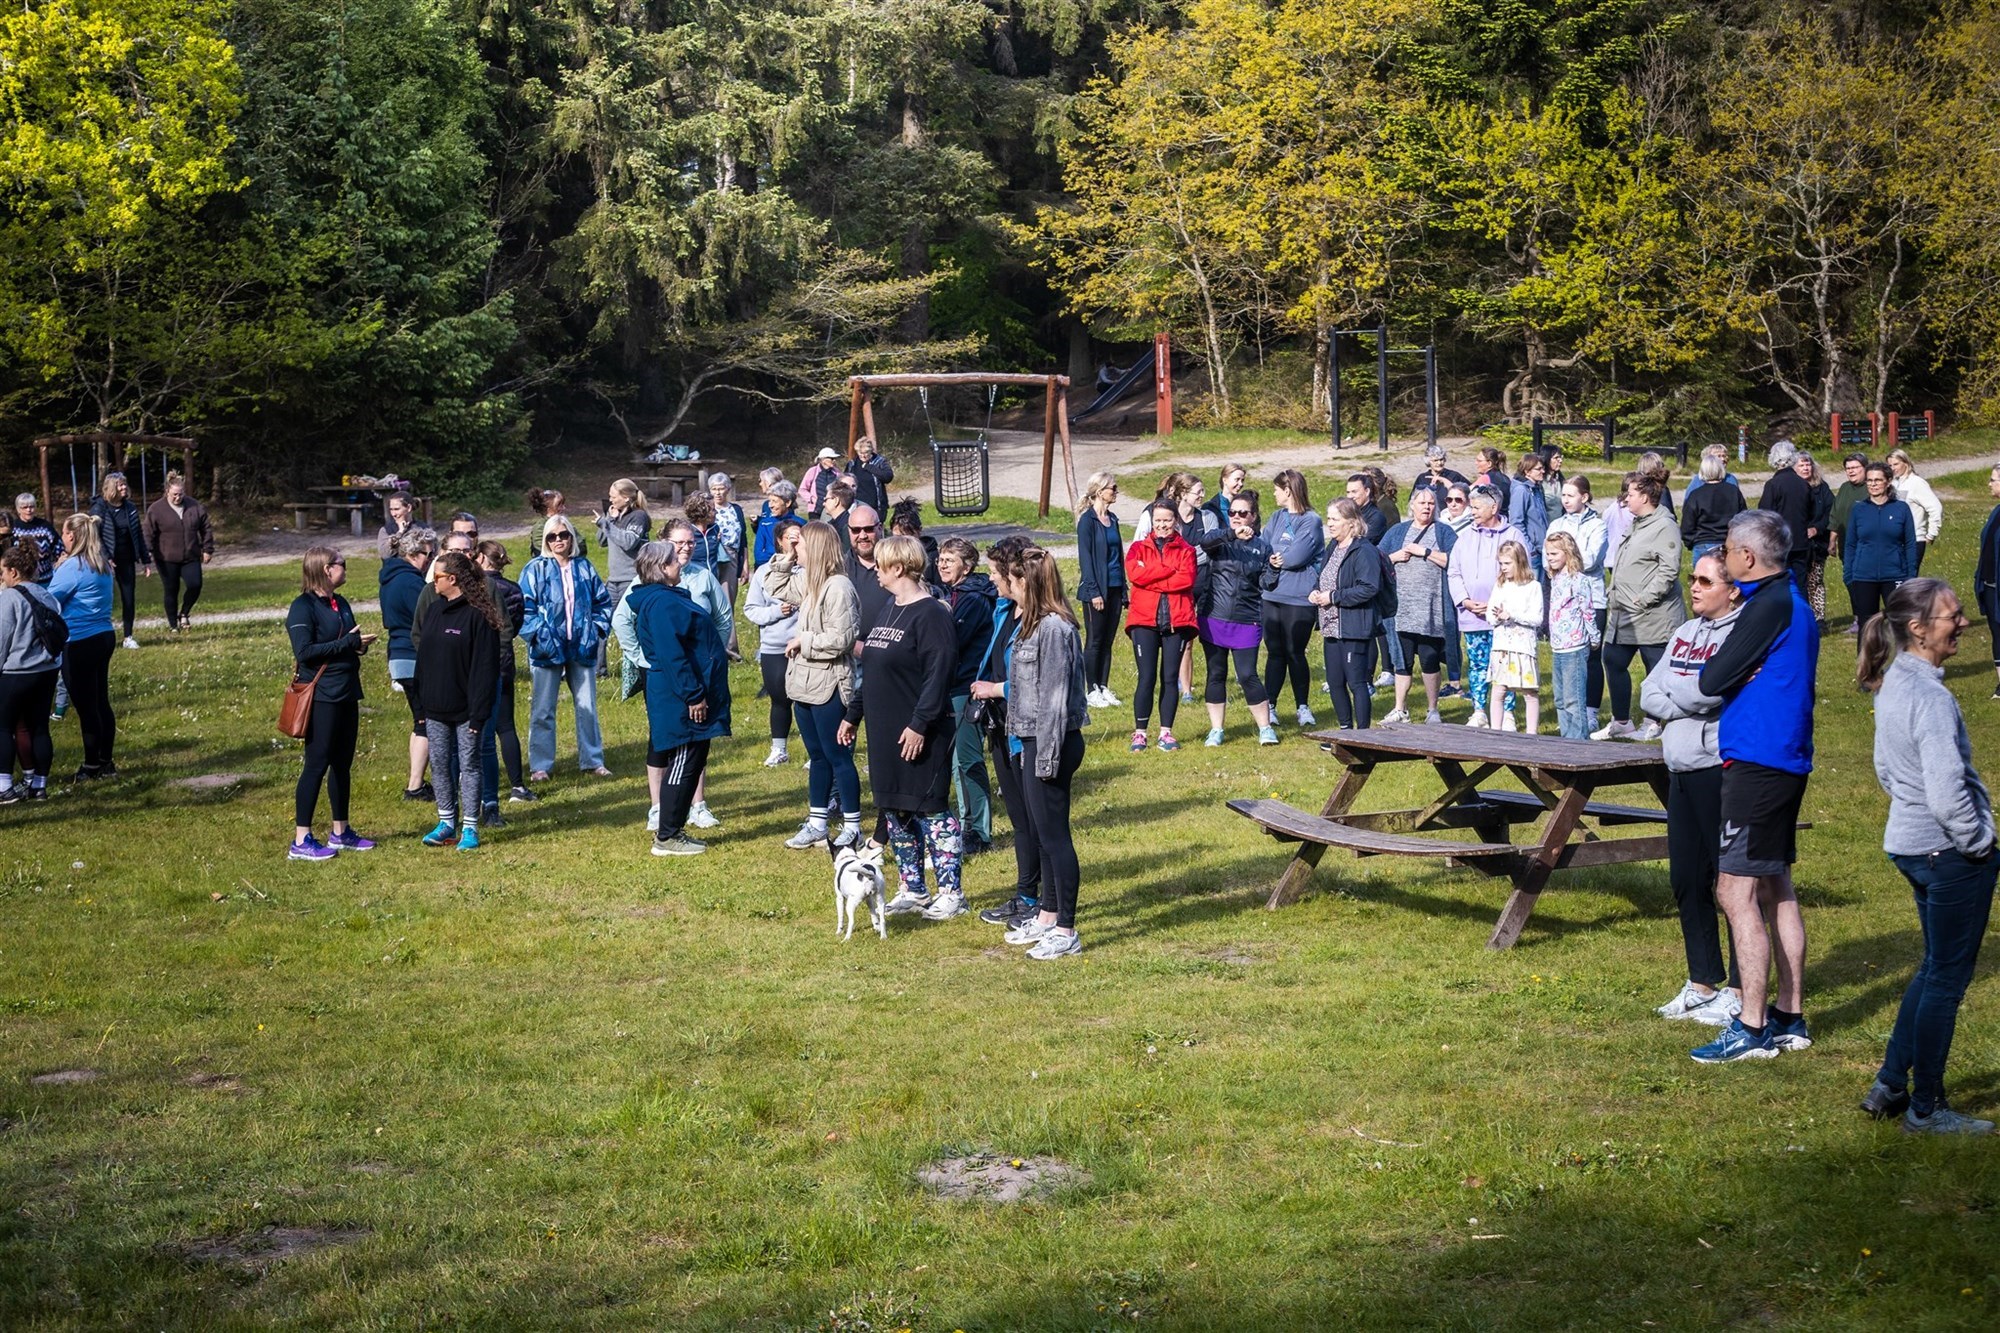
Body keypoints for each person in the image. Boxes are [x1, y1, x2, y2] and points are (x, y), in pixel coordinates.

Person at [1857, 578, 1998, 1134]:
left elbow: (1886, 771)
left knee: (1934, 966)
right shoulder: (1932, 698)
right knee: (1947, 979)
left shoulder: (1893, 681)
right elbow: (1945, 792)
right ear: (1918, 628)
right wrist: (1978, 843)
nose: (1962, 623)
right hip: (1948, 853)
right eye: (1952, 616)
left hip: (1911, 846)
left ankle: (1890, 1084)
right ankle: (1927, 1108)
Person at [1690, 510, 1820, 1064]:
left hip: (1760, 762)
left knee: (1734, 891)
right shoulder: (1787, 599)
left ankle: (1752, 1025)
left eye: (1726, 549)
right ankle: (1789, 1016)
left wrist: (1733, 670)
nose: (1723, 557)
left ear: (1745, 557)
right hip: (1782, 757)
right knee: (1774, 886)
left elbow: (1711, 678)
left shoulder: (1767, 606)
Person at [1640, 551, 1744, 1025]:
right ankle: (1702, 982)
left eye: (1705, 581)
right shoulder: (1684, 632)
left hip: (1717, 768)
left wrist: (1680, 696)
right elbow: (1649, 691)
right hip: (1678, 767)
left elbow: (1712, 692)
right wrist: (1686, 698)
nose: (1694, 587)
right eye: (1692, 578)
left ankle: (1741, 988)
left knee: (1732, 884)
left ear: (1732, 589)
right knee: (1685, 878)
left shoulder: (1741, 634)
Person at [973, 546, 1087, 960]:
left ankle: (1067, 929)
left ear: (1027, 582)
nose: (1005, 582)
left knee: (1055, 839)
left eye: (1012, 578)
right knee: (1042, 835)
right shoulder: (1030, 625)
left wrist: (1044, 757)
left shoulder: (1054, 629)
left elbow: (1053, 700)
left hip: (1050, 740)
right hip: (1031, 738)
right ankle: (1047, 916)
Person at [852, 534, 964, 917]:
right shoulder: (890, 608)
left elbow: (939, 675)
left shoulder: (931, 614)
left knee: (930, 810)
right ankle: (913, 888)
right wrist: (853, 714)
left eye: (881, 565)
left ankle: (951, 893)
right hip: (885, 732)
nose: (875, 571)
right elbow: (873, 669)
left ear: (898, 567)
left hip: (920, 732)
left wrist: (920, 724)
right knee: (896, 810)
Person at [632, 539, 732, 856]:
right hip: (679, 697)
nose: (680, 563)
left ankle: (674, 831)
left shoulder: (665, 597)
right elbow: (672, 654)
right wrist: (693, 696)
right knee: (683, 761)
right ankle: (667, 835)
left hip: (685, 693)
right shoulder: (661, 603)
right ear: (662, 568)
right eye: (674, 560)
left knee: (693, 758)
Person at [766, 521, 862, 849]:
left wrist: (802, 641)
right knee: (817, 756)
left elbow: (842, 639)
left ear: (817, 549)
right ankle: (817, 823)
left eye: (801, 545)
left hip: (829, 685)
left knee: (838, 756)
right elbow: (775, 585)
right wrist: (787, 556)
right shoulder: (810, 582)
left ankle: (852, 826)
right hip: (803, 685)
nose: (796, 549)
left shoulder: (838, 588)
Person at [283, 548, 378, 858]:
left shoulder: (341, 603)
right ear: (326, 569)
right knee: (317, 764)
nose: (345, 569)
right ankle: (301, 840)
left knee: (342, 764)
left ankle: (341, 832)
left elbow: (346, 641)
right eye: (342, 564)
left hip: (347, 691)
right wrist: (347, 643)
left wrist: (358, 646)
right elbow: (304, 652)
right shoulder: (303, 607)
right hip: (321, 695)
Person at [973, 537, 1044, 928]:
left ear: (1013, 574)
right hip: (1000, 727)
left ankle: (1044, 902)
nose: (990, 578)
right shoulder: (1004, 610)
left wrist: (996, 689)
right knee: (1019, 817)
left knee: (1037, 819)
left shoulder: (1040, 622)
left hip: (1027, 731)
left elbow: (1042, 684)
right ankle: (1025, 895)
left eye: (994, 572)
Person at [415, 551, 503, 851]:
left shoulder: (478, 616)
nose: (432, 581)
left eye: (437, 576)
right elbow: (423, 660)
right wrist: (420, 706)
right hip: (435, 708)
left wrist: (478, 715)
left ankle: (469, 827)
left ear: (452, 579)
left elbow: (485, 670)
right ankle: (446, 822)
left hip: (467, 710)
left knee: (469, 764)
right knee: (440, 763)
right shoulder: (434, 610)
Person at [520, 514, 612, 780]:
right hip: (546, 649)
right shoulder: (534, 569)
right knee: (543, 709)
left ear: (571, 537)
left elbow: (602, 603)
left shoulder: (584, 567)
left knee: (587, 706)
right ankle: (540, 766)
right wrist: (539, 635)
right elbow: (523, 609)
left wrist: (595, 631)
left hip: (581, 647)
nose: (558, 540)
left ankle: (593, 761)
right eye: (552, 536)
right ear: (545, 540)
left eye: (563, 535)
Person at [1594, 472, 1684, 742]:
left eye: (1630, 494)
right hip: (1625, 613)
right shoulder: (1638, 523)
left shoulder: (1664, 526)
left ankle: (1653, 722)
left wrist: (1645, 598)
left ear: (1645, 497)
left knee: (1654, 666)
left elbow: (1668, 570)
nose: (1625, 498)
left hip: (1653, 614)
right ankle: (1621, 722)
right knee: (1613, 659)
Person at [1198, 491, 1278, 744]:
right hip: (1214, 616)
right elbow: (1205, 542)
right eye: (1232, 512)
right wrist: (1232, 534)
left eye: (1242, 513)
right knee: (1216, 673)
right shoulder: (1221, 539)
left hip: (1246, 619)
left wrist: (1274, 569)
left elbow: (1267, 584)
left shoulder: (1262, 547)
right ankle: (1216, 729)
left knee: (1247, 675)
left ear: (1253, 517)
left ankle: (1265, 728)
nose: (1236, 517)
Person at [1447, 484, 1524, 729]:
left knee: (1505, 664)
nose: (1472, 512)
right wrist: (1464, 600)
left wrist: (1495, 604)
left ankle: (1507, 712)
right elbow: (1454, 572)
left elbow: (1522, 575)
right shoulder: (1465, 537)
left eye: (1477, 507)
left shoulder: (1513, 536)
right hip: (1473, 616)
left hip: (1503, 617)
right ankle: (1479, 710)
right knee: (1478, 664)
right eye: (1471, 507)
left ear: (1494, 507)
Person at [937, 537, 996, 854]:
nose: (942, 564)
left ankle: (978, 832)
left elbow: (952, 641)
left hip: (967, 687)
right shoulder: (954, 594)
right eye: (940, 559)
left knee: (968, 760)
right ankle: (966, 824)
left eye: (950, 559)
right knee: (957, 762)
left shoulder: (972, 598)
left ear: (967, 566)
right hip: (953, 686)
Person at [1125, 501, 1197, 752]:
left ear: (1175, 520)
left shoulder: (1187, 550)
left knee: (1169, 677)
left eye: (1167, 520)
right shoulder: (1137, 548)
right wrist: (1168, 571)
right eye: (1158, 520)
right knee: (1146, 677)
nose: (1162, 525)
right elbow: (1135, 575)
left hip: (1176, 621)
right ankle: (1140, 733)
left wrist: (1151, 577)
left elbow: (1186, 579)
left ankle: (1166, 732)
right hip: (1144, 620)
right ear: (1151, 521)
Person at [1378, 487, 1454, 725]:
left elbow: (1455, 560)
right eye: (1422, 503)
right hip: (1401, 610)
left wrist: (1426, 552)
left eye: (1431, 503)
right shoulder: (1398, 531)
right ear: (1412, 505)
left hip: (1432, 610)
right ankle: (1400, 709)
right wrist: (1395, 556)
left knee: (1430, 659)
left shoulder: (1443, 532)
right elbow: (1376, 559)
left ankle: (1433, 710)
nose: (1427, 507)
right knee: (1402, 661)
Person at [49, 515, 116, 779]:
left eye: (64, 533)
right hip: (104, 635)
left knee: (86, 707)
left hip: (79, 642)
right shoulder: (101, 563)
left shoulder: (72, 567)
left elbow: (49, 602)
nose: (62, 538)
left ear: (72, 536)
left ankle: (91, 766)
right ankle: (106, 761)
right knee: (101, 702)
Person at [1309, 499, 1382, 730]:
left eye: (1334, 519)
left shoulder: (1364, 550)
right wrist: (1316, 591)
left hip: (1354, 627)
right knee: (1334, 682)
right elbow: (1326, 577)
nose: (1329, 524)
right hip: (1331, 627)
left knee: (1356, 682)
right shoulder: (1333, 546)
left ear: (1351, 522)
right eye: (1328, 518)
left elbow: (1369, 587)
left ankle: (1363, 735)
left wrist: (1333, 597)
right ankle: (1345, 731)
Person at [1261, 469, 1324, 727]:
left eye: (1276, 489)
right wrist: (1276, 555)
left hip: (1298, 598)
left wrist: (1279, 556)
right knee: (1275, 652)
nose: (1273, 494)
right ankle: (1270, 706)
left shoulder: (1311, 520)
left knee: (1295, 652)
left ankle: (1302, 707)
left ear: (1287, 490)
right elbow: (1263, 547)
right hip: (1271, 595)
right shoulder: (1276, 517)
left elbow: (1296, 556)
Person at [0, 541, 61, 802]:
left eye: (2, 571)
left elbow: (2, 639)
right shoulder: (47, 595)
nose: (2, 577)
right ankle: (39, 786)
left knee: (3, 727)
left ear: (13, 571)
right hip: (47, 669)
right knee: (39, 728)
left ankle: (3, 787)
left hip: (17, 671)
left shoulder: (9, 598)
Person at [378, 526, 437, 800]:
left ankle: (416, 782)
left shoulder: (390, 578)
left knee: (419, 720)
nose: (431, 559)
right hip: (414, 656)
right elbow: (429, 618)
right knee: (427, 723)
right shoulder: (411, 582)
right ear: (413, 554)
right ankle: (415, 786)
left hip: (398, 656)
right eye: (428, 554)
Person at [474, 540, 532, 814]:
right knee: (506, 725)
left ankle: (475, 784)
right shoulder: (514, 589)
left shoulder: (476, 587)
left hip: (479, 662)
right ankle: (517, 785)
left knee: (478, 729)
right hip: (504, 660)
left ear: (481, 559)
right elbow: (515, 624)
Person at [742, 517, 805, 767]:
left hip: (804, 645)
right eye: (790, 538)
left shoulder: (809, 570)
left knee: (807, 700)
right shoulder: (764, 572)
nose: (795, 542)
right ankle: (779, 749)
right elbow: (751, 609)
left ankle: (815, 752)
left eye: (799, 537)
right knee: (779, 699)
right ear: (779, 541)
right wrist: (777, 611)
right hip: (774, 647)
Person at [1547, 476, 1607, 729]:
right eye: (1563, 495)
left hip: (1591, 600)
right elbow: (1548, 556)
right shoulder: (1557, 524)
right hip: (1563, 618)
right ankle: (1569, 728)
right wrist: (1559, 556)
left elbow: (1591, 559)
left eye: (1571, 495)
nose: (1566, 500)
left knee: (1590, 660)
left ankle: (1589, 713)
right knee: (1563, 688)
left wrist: (1570, 555)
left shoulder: (1597, 525)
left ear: (1584, 497)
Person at [1842, 461, 1917, 631]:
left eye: (1877, 480)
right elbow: (1850, 544)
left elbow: (1910, 544)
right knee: (1867, 628)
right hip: (1863, 577)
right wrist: (1849, 575)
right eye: (1869, 480)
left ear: (1888, 481)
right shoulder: (1858, 509)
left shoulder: (1901, 508)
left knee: (1900, 627)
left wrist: (1910, 576)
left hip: (1895, 575)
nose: (1873, 484)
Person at [1073, 471, 1125, 708]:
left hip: (1115, 586)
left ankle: (1103, 686)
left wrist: (1123, 589)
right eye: (1112, 488)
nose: (1116, 491)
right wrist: (1094, 591)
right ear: (1100, 491)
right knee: (1095, 640)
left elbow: (1118, 556)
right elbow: (1086, 559)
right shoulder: (1087, 522)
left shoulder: (1112, 519)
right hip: (1096, 589)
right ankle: (1091, 689)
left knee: (1108, 640)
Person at [592, 478, 652, 678]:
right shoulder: (615, 517)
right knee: (601, 622)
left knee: (630, 626)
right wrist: (607, 520)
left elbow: (628, 542)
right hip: (613, 581)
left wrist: (607, 524)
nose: (610, 500)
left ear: (626, 498)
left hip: (632, 579)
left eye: (613, 496)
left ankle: (638, 669)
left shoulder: (639, 517)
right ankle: (599, 671)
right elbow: (602, 541)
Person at [1167, 472, 1218, 702]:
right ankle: (1179, 685)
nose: (1202, 496)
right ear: (1183, 493)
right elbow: (1168, 550)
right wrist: (1192, 553)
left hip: (1204, 582)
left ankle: (1198, 687)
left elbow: (1211, 548)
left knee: (1199, 637)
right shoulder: (1171, 519)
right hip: (1179, 585)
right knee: (1180, 637)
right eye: (1198, 492)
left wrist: (1186, 553)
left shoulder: (1207, 517)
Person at [1544, 532, 1599, 739]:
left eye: (1554, 553)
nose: (1550, 557)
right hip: (1558, 647)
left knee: (1573, 699)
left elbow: (1588, 611)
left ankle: (1578, 742)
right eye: (1548, 553)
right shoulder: (1555, 578)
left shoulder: (1579, 580)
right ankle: (1566, 741)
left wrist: (1594, 637)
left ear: (1568, 553)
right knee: (1560, 699)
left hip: (1574, 648)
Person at [1486, 540, 1543, 732]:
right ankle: (1495, 731)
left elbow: (1537, 618)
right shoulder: (1500, 585)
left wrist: (1512, 615)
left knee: (1530, 692)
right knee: (1499, 690)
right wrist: (1497, 616)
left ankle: (1531, 733)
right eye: (1501, 563)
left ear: (1519, 562)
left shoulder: (1533, 586)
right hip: (1502, 647)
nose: (1503, 567)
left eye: (1507, 563)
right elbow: (1489, 615)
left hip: (1523, 647)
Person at [142, 472, 211, 629]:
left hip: (190, 556)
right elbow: (148, 532)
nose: (177, 498)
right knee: (171, 590)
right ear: (167, 492)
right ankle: (173, 625)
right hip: (166, 557)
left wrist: (207, 549)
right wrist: (148, 552)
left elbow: (206, 528)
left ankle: (184, 613)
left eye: (180, 494)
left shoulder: (195, 506)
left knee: (195, 585)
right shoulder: (156, 509)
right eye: (174, 495)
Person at [89, 473, 150, 648]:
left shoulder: (130, 507)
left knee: (128, 598)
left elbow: (138, 534)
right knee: (103, 600)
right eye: (120, 485)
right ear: (111, 488)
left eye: (124, 485)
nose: (124, 488)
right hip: (104, 561)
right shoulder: (99, 508)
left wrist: (146, 560)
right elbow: (95, 536)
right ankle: (98, 636)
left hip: (126, 559)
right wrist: (107, 557)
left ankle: (128, 637)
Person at [1756, 440, 1813, 589]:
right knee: (1800, 585)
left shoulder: (1773, 484)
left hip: (1779, 542)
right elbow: (1811, 511)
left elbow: (1765, 514)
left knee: (1780, 584)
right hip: (1800, 540)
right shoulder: (1803, 484)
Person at [1679, 449, 1745, 566]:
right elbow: (1743, 518)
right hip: (1728, 542)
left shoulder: (1696, 495)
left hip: (1703, 543)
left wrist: (1691, 542)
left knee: (1704, 577)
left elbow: (1687, 525)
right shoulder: (1733, 491)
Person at [1828, 452, 1870, 634]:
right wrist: (1832, 540)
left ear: (1865, 468)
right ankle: (1858, 619)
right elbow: (1836, 515)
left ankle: (1868, 618)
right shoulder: (1845, 488)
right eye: (1848, 468)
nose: (1851, 471)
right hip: (1847, 545)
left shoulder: (1870, 488)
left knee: (1863, 582)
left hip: (1866, 546)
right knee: (1850, 581)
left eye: (1855, 468)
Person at [708, 473, 747, 656]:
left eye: (721, 488)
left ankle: (730, 649)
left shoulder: (736, 510)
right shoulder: (707, 509)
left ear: (728, 489)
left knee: (728, 601)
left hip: (732, 555)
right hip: (712, 556)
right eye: (714, 489)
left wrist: (745, 565)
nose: (717, 493)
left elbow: (743, 538)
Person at [1887, 448, 1942, 572]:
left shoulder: (1917, 483)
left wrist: (1931, 534)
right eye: (1890, 465)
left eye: (1896, 464)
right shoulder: (1893, 484)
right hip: (1895, 540)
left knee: (1908, 578)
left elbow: (1935, 507)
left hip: (1913, 540)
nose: (1893, 468)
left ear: (1906, 463)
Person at [1797, 451, 1834, 622]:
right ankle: (1802, 617)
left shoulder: (1822, 487)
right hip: (1798, 542)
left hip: (1818, 542)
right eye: (1801, 465)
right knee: (1799, 581)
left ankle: (1819, 618)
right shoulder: (1792, 487)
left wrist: (1817, 529)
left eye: (1808, 464)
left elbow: (1830, 512)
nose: (1806, 468)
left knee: (1816, 580)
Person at [1975, 465, 2000, 698]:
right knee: (1997, 633)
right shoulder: (1996, 511)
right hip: (1991, 585)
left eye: (1993, 480)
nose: (1989, 484)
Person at [1506, 454, 1550, 578]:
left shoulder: (1537, 488)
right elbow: (1516, 522)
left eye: (1543, 468)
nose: (1543, 471)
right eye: (1539, 469)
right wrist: (1529, 548)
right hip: (1532, 552)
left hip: (1541, 549)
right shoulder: (1521, 490)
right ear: (1527, 471)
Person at [10, 495, 59, 583]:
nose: (29, 510)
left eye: (31, 506)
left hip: (45, 579)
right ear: (18, 509)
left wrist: (59, 561)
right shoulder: (13, 528)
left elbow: (59, 547)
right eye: (25, 507)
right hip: (20, 580)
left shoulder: (45, 526)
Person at [752, 480, 799, 569]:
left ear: (787, 503)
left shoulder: (800, 524)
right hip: (767, 569)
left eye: (774, 501)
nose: (770, 505)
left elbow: (802, 553)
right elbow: (758, 556)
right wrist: (785, 557)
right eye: (769, 501)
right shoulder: (764, 524)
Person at [845, 434, 895, 514]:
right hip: (857, 506)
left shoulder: (879, 462)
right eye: (860, 453)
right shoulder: (852, 464)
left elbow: (888, 477)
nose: (863, 456)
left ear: (871, 451)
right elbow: (845, 482)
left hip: (876, 506)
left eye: (866, 453)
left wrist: (869, 467)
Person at [1415, 444, 1470, 509]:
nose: (1439, 463)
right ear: (1428, 462)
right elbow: (1413, 500)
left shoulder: (1454, 476)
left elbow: (1471, 492)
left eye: (1441, 460)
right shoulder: (1422, 478)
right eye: (1435, 460)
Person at [798, 447, 844, 518]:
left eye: (835, 458)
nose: (834, 460)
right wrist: (813, 499)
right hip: (815, 511)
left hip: (832, 510)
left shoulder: (837, 473)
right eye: (831, 458)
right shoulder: (812, 471)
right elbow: (802, 489)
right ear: (823, 460)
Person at [1346, 473, 1389, 544]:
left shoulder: (1376, 517)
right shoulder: (1347, 514)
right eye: (1348, 492)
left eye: (1354, 492)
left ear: (1367, 491)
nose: (1350, 496)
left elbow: (1362, 544)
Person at [1203, 463, 1248, 529]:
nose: (1241, 484)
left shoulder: (1245, 505)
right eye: (1237, 479)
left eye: (1242, 480)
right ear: (1225, 480)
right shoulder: (1210, 507)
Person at [525, 488, 566, 556]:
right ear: (548, 509)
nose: (564, 508)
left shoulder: (565, 523)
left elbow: (580, 544)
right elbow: (542, 550)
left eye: (563, 504)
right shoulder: (540, 528)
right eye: (559, 505)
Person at [376, 492, 414, 561]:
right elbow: (385, 555)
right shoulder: (386, 530)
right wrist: (399, 533)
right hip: (395, 567)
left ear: (409, 508)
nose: (393, 514)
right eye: (391, 509)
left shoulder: (423, 528)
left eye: (397, 509)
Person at [1473, 446, 1512, 513]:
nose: (1476, 463)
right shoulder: (1506, 478)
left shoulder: (1486, 478)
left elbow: (1466, 493)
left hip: (1492, 514)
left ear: (1489, 463)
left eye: (1479, 461)